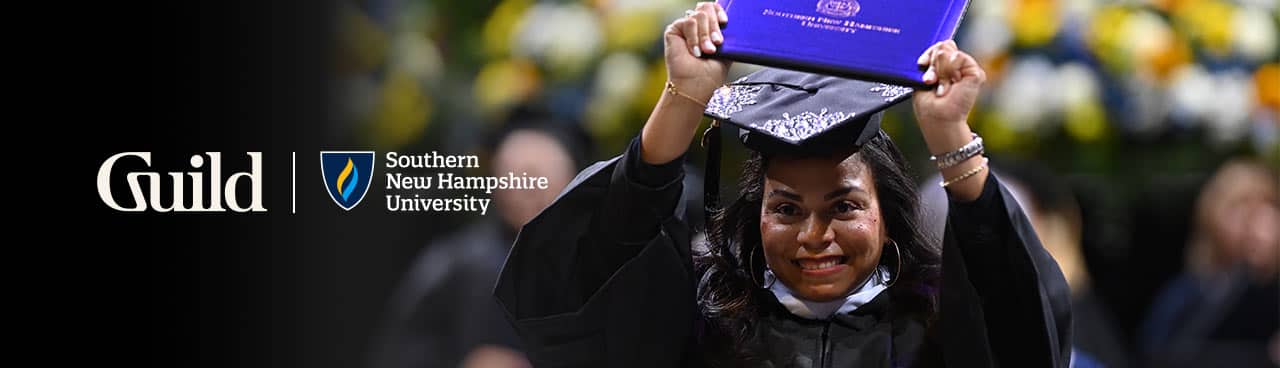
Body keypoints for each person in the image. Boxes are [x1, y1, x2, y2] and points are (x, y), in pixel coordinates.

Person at [493, 3, 1071, 367]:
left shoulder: (937, 328)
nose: (814, 236)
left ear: (888, 213)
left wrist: (951, 137)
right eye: (787, 209)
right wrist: (685, 96)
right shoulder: (703, 327)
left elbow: (1016, 315)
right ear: (756, 216)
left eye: (844, 206)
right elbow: (603, 255)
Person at [369, 111, 589, 368]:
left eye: (537, 175)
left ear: (571, 180)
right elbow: (399, 352)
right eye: (515, 175)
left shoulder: (592, 262)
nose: (526, 190)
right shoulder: (456, 264)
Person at [1139, 158, 1279, 368]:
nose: (1253, 222)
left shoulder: (1270, 290)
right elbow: (1158, 352)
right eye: (1241, 207)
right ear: (1213, 214)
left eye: (1264, 208)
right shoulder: (1189, 292)